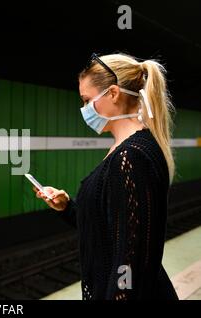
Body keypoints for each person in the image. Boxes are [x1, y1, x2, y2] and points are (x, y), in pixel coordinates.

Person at [34, 53, 179, 300]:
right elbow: (109, 228)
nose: (84, 109)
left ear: (113, 93)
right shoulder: (125, 149)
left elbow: (130, 259)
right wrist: (67, 207)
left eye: (87, 100)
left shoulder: (131, 156)